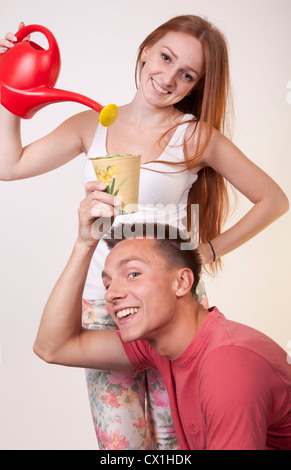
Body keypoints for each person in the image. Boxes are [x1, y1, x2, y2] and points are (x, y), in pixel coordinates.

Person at [0, 15, 289, 449]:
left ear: (194, 87)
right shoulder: (92, 124)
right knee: (123, 445)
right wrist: (10, 93)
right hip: (104, 303)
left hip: (168, 304)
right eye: (166, 58)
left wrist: (206, 251)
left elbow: (273, 199)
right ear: (145, 51)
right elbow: (11, 165)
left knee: (177, 439)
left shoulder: (194, 137)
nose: (169, 78)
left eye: (186, 74)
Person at [33, 194, 291, 451]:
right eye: (107, 283)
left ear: (182, 282)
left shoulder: (227, 363)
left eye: (133, 274)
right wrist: (83, 245)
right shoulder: (163, 345)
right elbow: (53, 347)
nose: (111, 294)